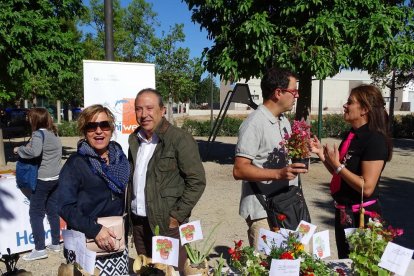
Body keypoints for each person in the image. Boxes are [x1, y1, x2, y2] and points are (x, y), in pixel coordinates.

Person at [311, 84, 393, 258]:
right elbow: (340, 175)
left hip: (362, 217)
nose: (345, 106)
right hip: (344, 213)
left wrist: (338, 166)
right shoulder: (352, 136)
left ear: (364, 109)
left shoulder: (374, 140)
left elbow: (367, 187)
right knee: (345, 262)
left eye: (350, 102)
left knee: (361, 265)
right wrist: (322, 155)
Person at [128, 88, 206, 270]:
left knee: (170, 271)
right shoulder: (134, 140)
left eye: (149, 108)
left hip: (166, 224)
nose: (144, 114)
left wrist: (176, 216)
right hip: (140, 223)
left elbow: (197, 181)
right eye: (139, 109)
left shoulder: (179, 139)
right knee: (147, 271)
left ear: (162, 111)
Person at [233, 67, 308, 249]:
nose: (296, 96)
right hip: (263, 212)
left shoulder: (284, 121)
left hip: (286, 205)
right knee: (267, 267)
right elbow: (239, 169)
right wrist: (279, 173)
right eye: (293, 91)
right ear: (278, 93)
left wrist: (303, 151)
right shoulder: (254, 123)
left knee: (292, 264)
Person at [57, 105, 130, 275]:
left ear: (111, 129)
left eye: (104, 125)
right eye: (91, 126)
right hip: (87, 244)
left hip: (117, 244)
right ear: (84, 131)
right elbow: (64, 206)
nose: (98, 131)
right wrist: (95, 230)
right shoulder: (76, 163)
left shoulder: (120, 158)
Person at [13, 108, 62, 261]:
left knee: (35, 213)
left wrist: (19, 149)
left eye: (29, 117)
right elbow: (45, 151)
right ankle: (55, 243)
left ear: (34, 119)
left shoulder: (37, 134)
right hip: (55, 178)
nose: (28, 119)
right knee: (52, 210)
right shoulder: (53, 133)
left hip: (43, 179)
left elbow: (35, 152)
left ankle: (40, 249)